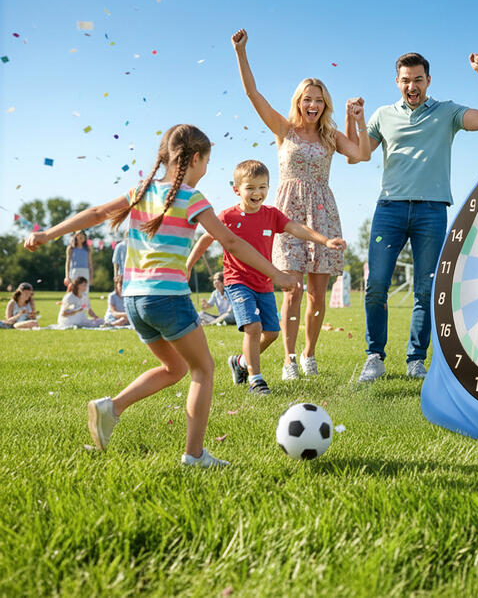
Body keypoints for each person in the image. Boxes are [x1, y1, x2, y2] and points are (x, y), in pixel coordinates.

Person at [24, 123, 297, 469]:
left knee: (175, 367)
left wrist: (48, 234)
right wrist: (277, 274)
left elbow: (96, 214)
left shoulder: (141, 190)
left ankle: (112, 408)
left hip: (135, 301)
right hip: (167, 297)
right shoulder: (192, 198)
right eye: (207, 161)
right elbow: (230, 241)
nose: (206, 168)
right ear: (196, 159)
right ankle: (194, 455)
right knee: (203, 369)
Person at [346, 51, 478, 382]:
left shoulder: (447, 112)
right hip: (389, 209)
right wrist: (357, 120)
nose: (412, 86)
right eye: (406, 80)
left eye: (418, 80)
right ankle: (374, 356)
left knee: (426, 289)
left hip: (432, 210)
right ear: (397, 82)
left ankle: (416, 359)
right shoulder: (383, 115)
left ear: (428, 81)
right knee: (376, 285)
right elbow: (358, 155)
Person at [232, 28, 369, 380]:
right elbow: (252, 93)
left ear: (325, 105)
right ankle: (289, 359)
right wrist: (241, 52)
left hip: (323, 213)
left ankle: (309, 354)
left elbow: (361, 154)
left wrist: (358, 121)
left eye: (319, 100)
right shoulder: (284, 129)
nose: (313, 105)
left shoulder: (330, 136)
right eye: (308, 99)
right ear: (299, 101)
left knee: (318, 296)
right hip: (287, 215)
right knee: (292, 291)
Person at [187, 159, 346, 395]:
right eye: (250, 187)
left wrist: (325, 240)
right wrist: (189, 265)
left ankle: (241, 362)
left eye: (262, 187)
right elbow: (205, 239)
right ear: (237, 190)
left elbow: (297, 228)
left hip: (264, 283)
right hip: (237, 281)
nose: (257, 193)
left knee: (271, 333)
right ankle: (256, 380)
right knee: (253, 327)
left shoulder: (271, 215)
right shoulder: (227, 216)